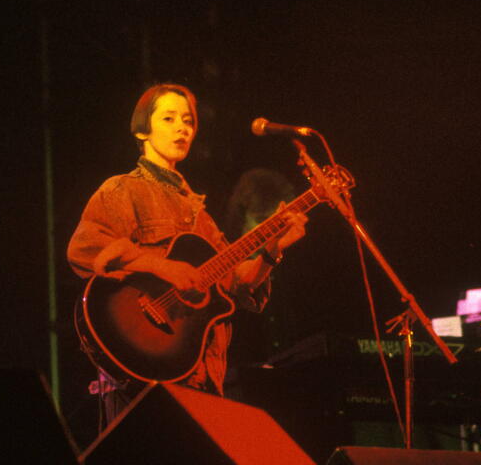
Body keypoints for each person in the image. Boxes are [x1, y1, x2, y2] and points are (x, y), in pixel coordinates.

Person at [67, 83, 307, 423]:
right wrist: (162, 267)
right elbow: (84, 247)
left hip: (203, 375)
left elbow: (237, 287)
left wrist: (272, 250)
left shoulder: (202, 218)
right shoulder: (123, 189)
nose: (182, 128)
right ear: (142, 130)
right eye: (169, 118)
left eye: (188, 121)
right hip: (140, 377)